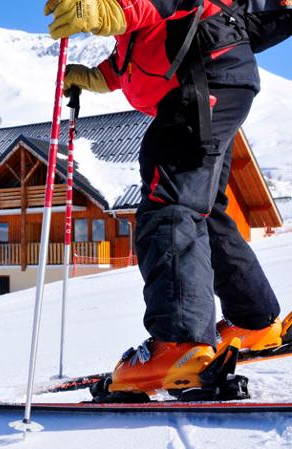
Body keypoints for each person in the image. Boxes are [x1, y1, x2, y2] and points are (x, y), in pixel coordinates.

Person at [44, 0, 291, 396]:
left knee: (169, 204)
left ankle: (180, 347)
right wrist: (98, 77)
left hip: (202, 83)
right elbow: (149, 42)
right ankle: (253, 320)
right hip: (211, 83)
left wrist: (113, 12)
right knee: (201, 209)